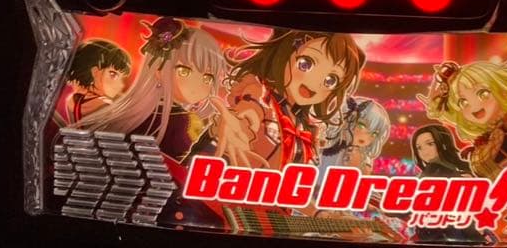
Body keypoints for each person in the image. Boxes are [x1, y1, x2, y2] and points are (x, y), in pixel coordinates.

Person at [77, 17, 257, 168]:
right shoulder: (179, 120)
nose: (197, 85)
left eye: (208, 78)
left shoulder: (128, 113)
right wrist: (211, 140)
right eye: (184, 71)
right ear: (158, 70)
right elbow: (180, 175)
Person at [225, 29, 366, 168]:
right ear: (284, 54)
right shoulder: (260, 94)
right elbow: (249, 111)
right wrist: (240, 125)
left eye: (330, 80)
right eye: (306, 64)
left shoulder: (306, 125)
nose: (314, 83)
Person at [319, 95, 391, 176]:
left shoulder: (363, 155)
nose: (367, 136)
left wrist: (357, 165)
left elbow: (364, 175)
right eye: (361, 126)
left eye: (375, 134)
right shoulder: (328, 140)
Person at [64, 39, 131, 123]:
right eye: (113, 74)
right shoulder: (106, 105)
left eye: (122, 78)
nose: (121, 85)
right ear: (94, 72)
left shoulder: (71, 101)